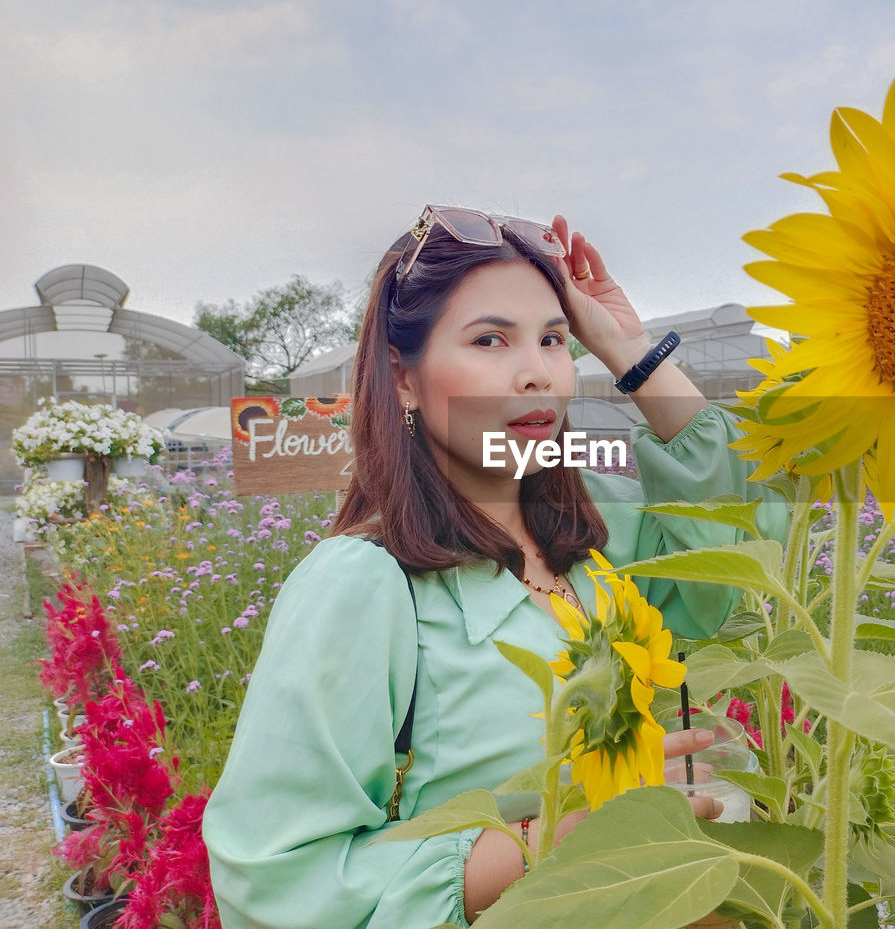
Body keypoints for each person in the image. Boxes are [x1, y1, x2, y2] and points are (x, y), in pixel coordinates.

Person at [203, 205, 785, 927]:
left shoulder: (602, 537)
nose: (538, 373)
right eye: (490, 339)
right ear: (403, 380)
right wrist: (557, 838)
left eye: (552, 340)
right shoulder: (363, 585)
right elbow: (274, 880)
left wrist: (630, 349)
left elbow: (743, 549)